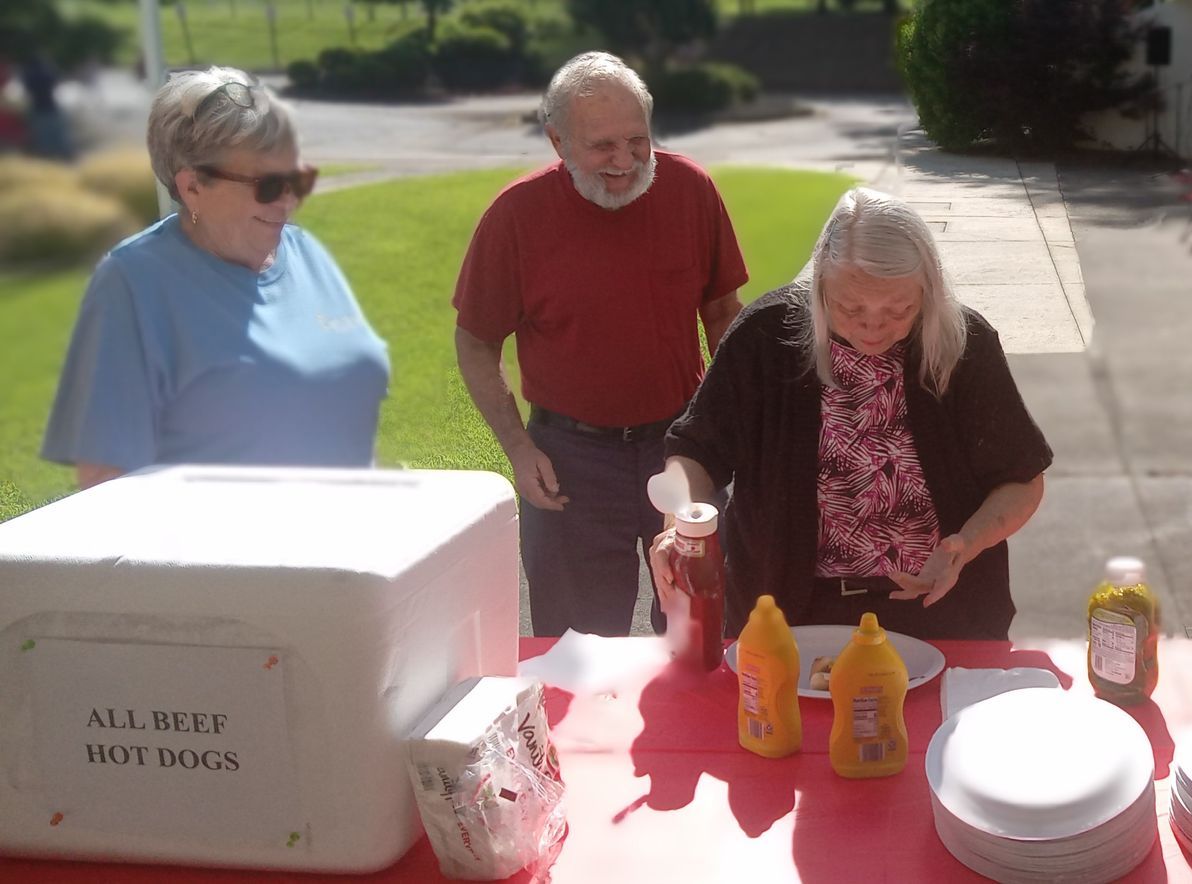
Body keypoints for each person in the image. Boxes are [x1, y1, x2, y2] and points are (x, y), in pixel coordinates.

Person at [649, 188, 1052, 641]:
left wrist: (967, 543)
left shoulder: (963, 343)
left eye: (900, 309)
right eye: (850, 307)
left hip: (943, 611)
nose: (873, 326)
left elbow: (1021, 478)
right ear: (819, 286)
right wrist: (680, 528)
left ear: (928, 292)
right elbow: (695, 450)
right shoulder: (766, 336)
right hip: (788, 614)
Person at [453, 52, 749, 638]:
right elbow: (476, 340)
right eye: (602, 146)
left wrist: (738, 427)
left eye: (638, 141)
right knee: (577, 648)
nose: (625, 162)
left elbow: (721, 313)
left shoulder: (689, 189)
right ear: (557, 141)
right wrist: (517, 446)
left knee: (700, 631)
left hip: (680, 448)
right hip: (571, 460)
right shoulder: (517, 215)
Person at [42, 68, 389, 488]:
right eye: (268, 183)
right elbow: (105, 483)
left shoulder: (306, 254)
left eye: (298, 178)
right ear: (192, 188)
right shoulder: (133, 283)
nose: (290, 198)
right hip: (229, 549)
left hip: (355, 540)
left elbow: (342, 412)